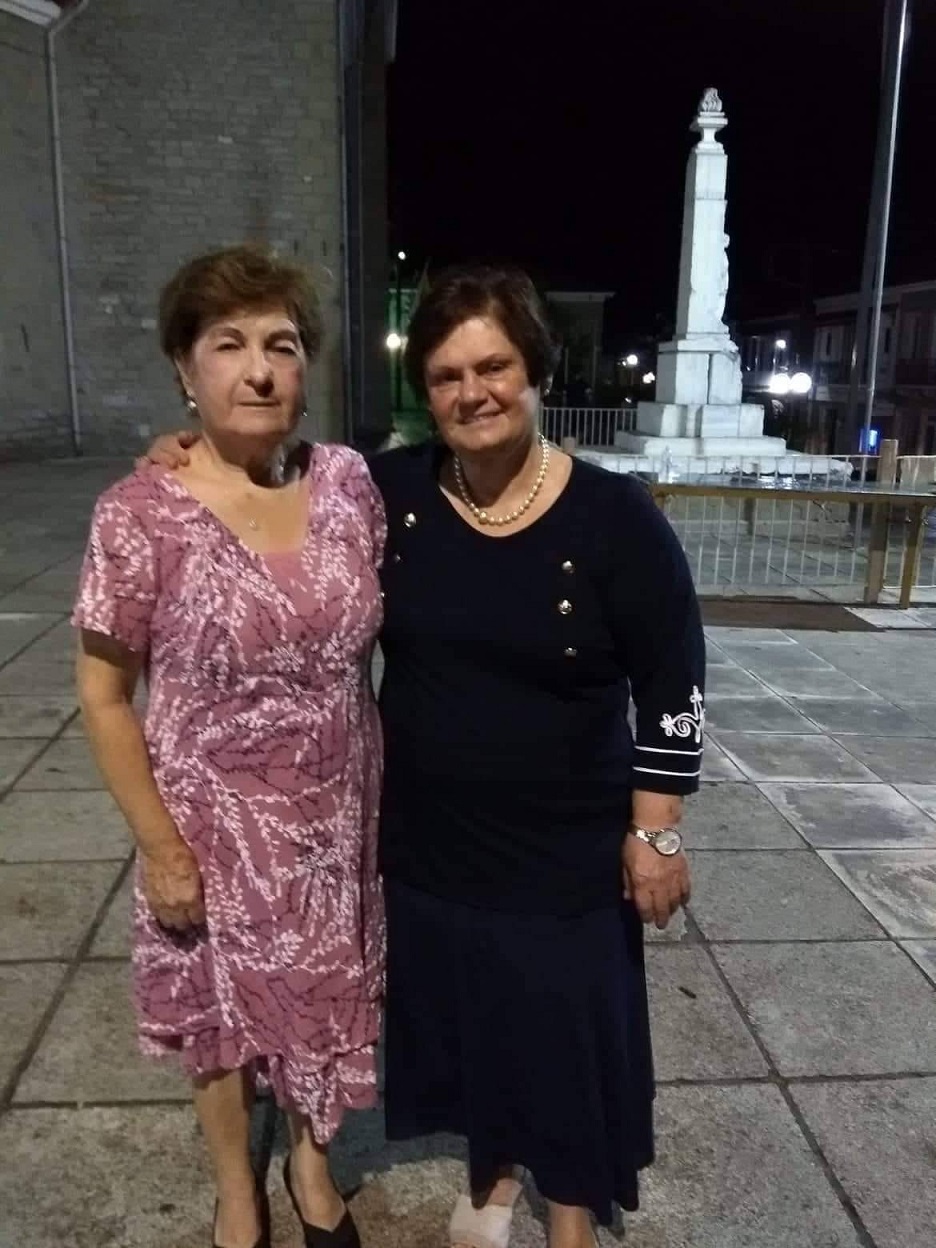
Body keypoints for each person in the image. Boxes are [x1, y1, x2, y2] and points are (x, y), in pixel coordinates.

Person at [147, 263, 705, 1248]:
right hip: (430, 839)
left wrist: (655, 834)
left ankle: (570, 1216)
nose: (472, 393)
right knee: (477, 1019)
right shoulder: (391, 489)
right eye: (447, 375)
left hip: (565, 843)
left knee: (565, 1032)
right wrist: (186, 448)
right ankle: (493, 1168)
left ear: (536, 370)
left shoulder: (617, 518)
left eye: (494, 367)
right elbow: (281, 465)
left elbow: (673, 679)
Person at [74, 245, 384, 1248]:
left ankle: (309, 1162)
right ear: (184, 366)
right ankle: (235, 1189)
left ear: (306, 369)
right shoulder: (138, 515)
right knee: (215, 1018)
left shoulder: (349, 485)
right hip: (208, 834)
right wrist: (161, 848)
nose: (259, 371)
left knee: (326, 997)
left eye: (281, 346)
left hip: (335, 820)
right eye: (229, 345)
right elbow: (104, 696)